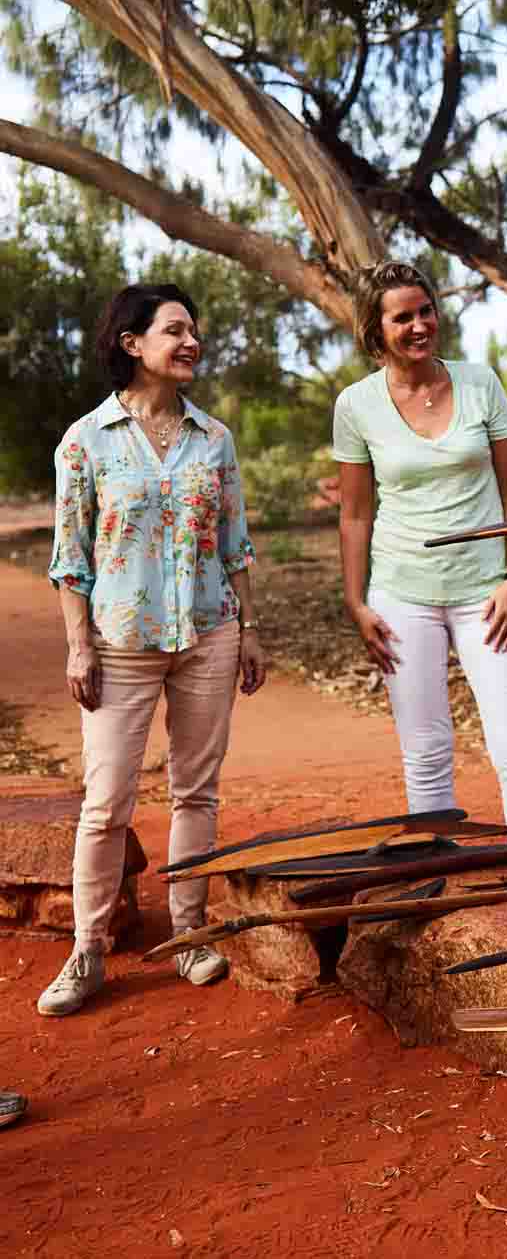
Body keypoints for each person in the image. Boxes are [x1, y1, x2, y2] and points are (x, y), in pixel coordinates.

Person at [42, 283, 267, 1017]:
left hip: (208, 633)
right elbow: (70, 558)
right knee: (106, 802)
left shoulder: (215, 438)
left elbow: (235, 545)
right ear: (132, 344)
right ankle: (87, 949)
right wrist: (79, 645)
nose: (191, 341)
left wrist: (250, 629)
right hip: (121, 643)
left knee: (195, 790)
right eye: (175, 330)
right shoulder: (85, 441)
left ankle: (191, 934)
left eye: (194, 330)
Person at [333, 260, 507, 836]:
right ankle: (440, 888)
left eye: (425, 311)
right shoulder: (356, 406)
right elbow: (355, 513)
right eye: (401, 317)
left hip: (488, 591)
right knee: (427, 755)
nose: (418, 326)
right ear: (375, 329)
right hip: (402, 594)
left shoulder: (480, 382)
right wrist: (356, 604)